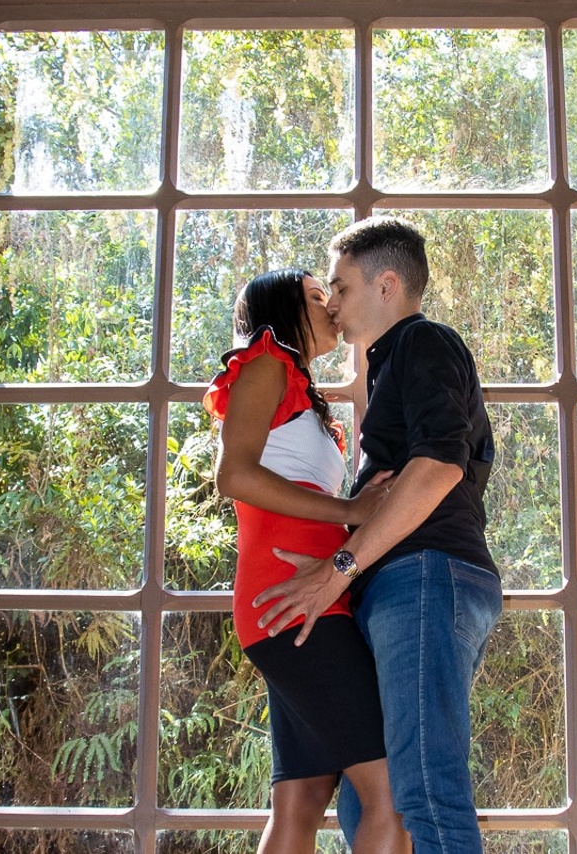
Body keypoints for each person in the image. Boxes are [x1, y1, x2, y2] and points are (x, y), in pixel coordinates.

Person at [253, 217, 503, 854]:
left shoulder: (424, 344)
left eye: (339, 285)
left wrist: (335, 570)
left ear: (386, 284)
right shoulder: (387, 367)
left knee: (421, 789)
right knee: (371, 806)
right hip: (400, 584)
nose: (330, 301)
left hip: (425, 576)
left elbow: (438, 467)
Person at [204, 268, 409, 854]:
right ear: (282, 310)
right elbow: (234, 475)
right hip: (293, 607)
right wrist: (352, 508)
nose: (333, 305)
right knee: (391, 794)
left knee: (300, 802)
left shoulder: (295, 386)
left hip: (298, 604)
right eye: (320, 297)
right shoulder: (266, 363)